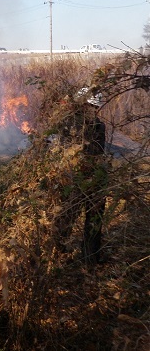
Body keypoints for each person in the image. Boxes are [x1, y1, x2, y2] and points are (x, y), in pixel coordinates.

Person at [55, 88, 107, 265]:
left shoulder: (68, 123)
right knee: (90, 217)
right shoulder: (98, 125)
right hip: (90, 177)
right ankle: (89, 259)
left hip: (75, 177)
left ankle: (58, 251)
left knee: (68, 214)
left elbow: (62, 151)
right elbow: (98, 153)